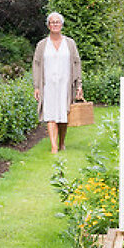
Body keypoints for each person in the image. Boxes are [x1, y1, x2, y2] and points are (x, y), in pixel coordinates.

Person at [32, 12, 83, 153]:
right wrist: (36, 86)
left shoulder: (70, 43)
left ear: (61, 25)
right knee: (50, 115)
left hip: (65, 85)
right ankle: (54, 146)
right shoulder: (42, 45)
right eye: (52, 22)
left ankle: (61, 143)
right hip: (47, 85)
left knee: (63, 115)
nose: (55, 24)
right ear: (48, 25)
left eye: (57, 22)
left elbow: (76, 63)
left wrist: (79, 85)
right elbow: (36, 65)